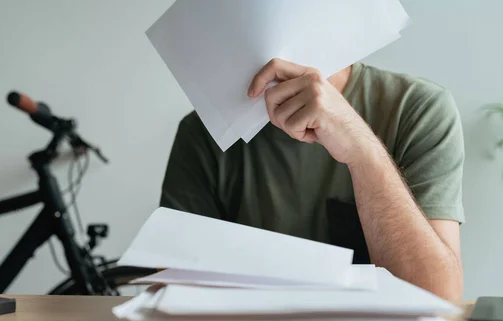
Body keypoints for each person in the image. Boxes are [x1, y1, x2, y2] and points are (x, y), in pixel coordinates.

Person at [161, 59, 465, 300]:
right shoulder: (204, 132)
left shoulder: (415, 108)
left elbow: (438, 296)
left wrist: (362, 151)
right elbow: (168, 293)